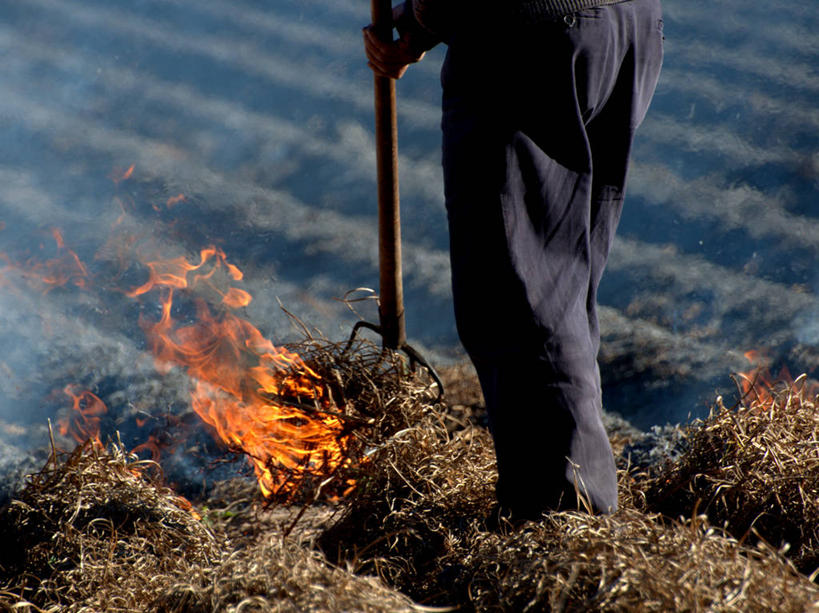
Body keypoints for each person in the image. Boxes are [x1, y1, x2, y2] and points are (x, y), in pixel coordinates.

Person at [364, 0, 663, 517]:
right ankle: (572, 503)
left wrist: (428, 14)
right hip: (626, 22)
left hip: (526, 37)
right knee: (563, 285)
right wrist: (420, 23)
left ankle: (564, 529)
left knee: (520, 302)